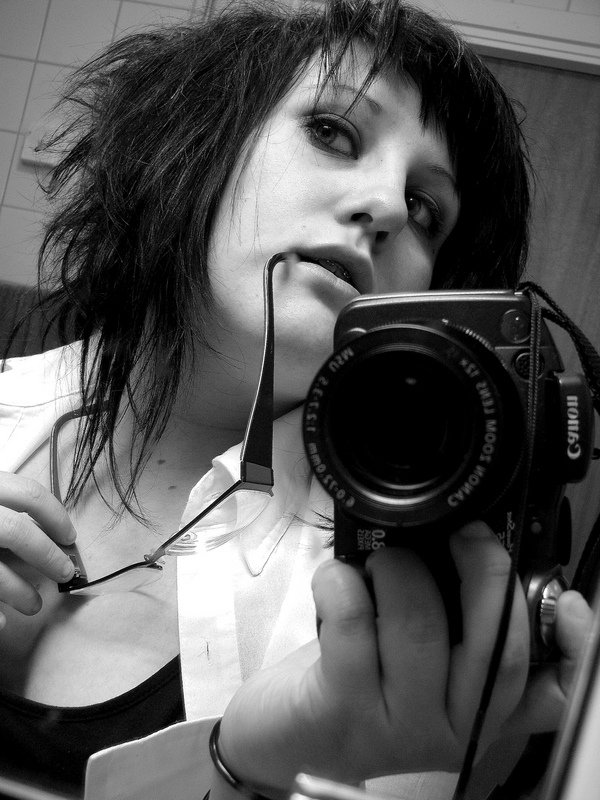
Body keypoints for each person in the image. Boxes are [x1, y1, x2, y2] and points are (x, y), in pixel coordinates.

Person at [0, 0, 593, 798]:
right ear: (195, 141)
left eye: (426, 210)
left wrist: (245, 766)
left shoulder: (394, 625)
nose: (388, 207)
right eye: (333, 132)